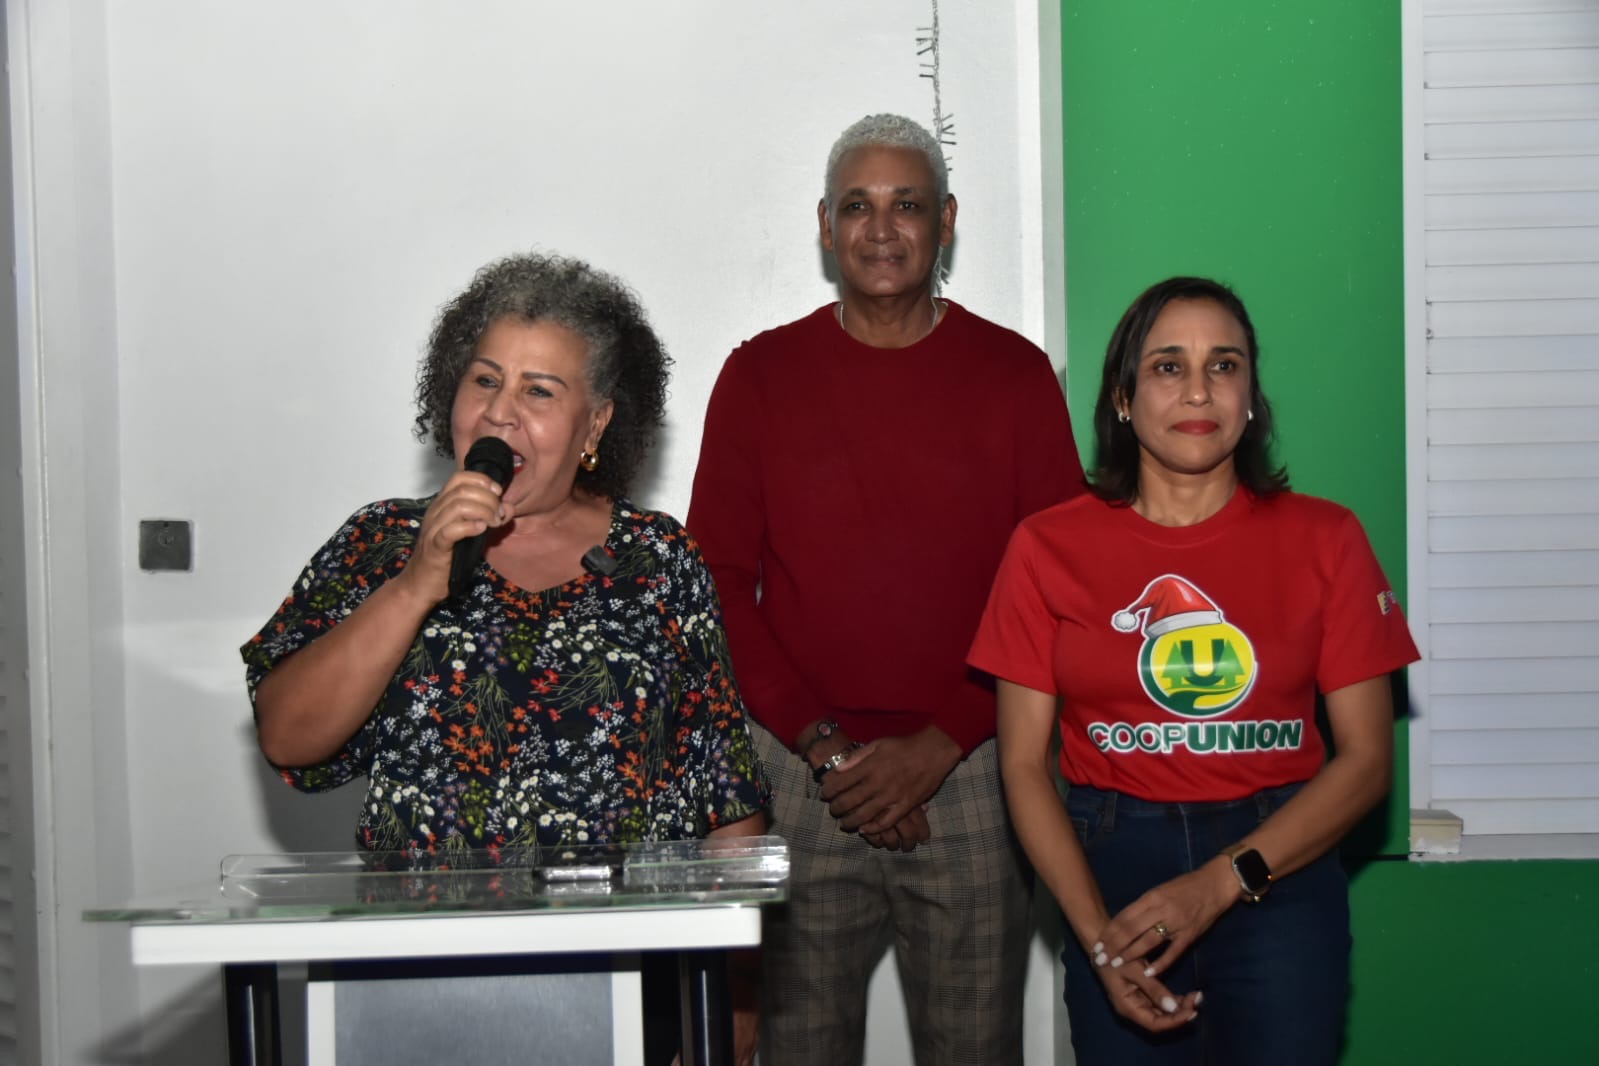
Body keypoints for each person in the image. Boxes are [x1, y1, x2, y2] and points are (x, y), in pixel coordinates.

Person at [241, 252, 767, 1065]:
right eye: (483, 381)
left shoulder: (659, 561)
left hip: (632, 982)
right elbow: (287, 735)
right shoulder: (380, 541)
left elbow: (724, 790)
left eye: (539, 391)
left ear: (595, 426)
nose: (500, 414)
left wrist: (735, 992)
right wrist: (418, 581)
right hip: (413, 984)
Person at [687, 113, 1083, 1066]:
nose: (881, 228)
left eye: (906, 204)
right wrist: (827, 749)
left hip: (978, 767)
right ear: (824, 227)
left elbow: (1058, 589)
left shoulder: (1014, 376)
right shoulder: (759, 375)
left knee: (974, 1047)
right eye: (857, 207)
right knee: (794, 1048)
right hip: (794, 772)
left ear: (946, 222)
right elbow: (716, 588)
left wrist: (942, 739)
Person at [968, 276, 1420, 1064]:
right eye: (1167, 366)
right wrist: (1100, 941)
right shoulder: (1045, 548)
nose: (1198, 388)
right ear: (1121, 398)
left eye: (1224, 364)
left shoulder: (1328, 538)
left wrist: (1219, 882)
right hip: (1109, 861)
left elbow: (1367, 761)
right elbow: (1021, 766)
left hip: (1278, 860)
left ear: (1251, 395)